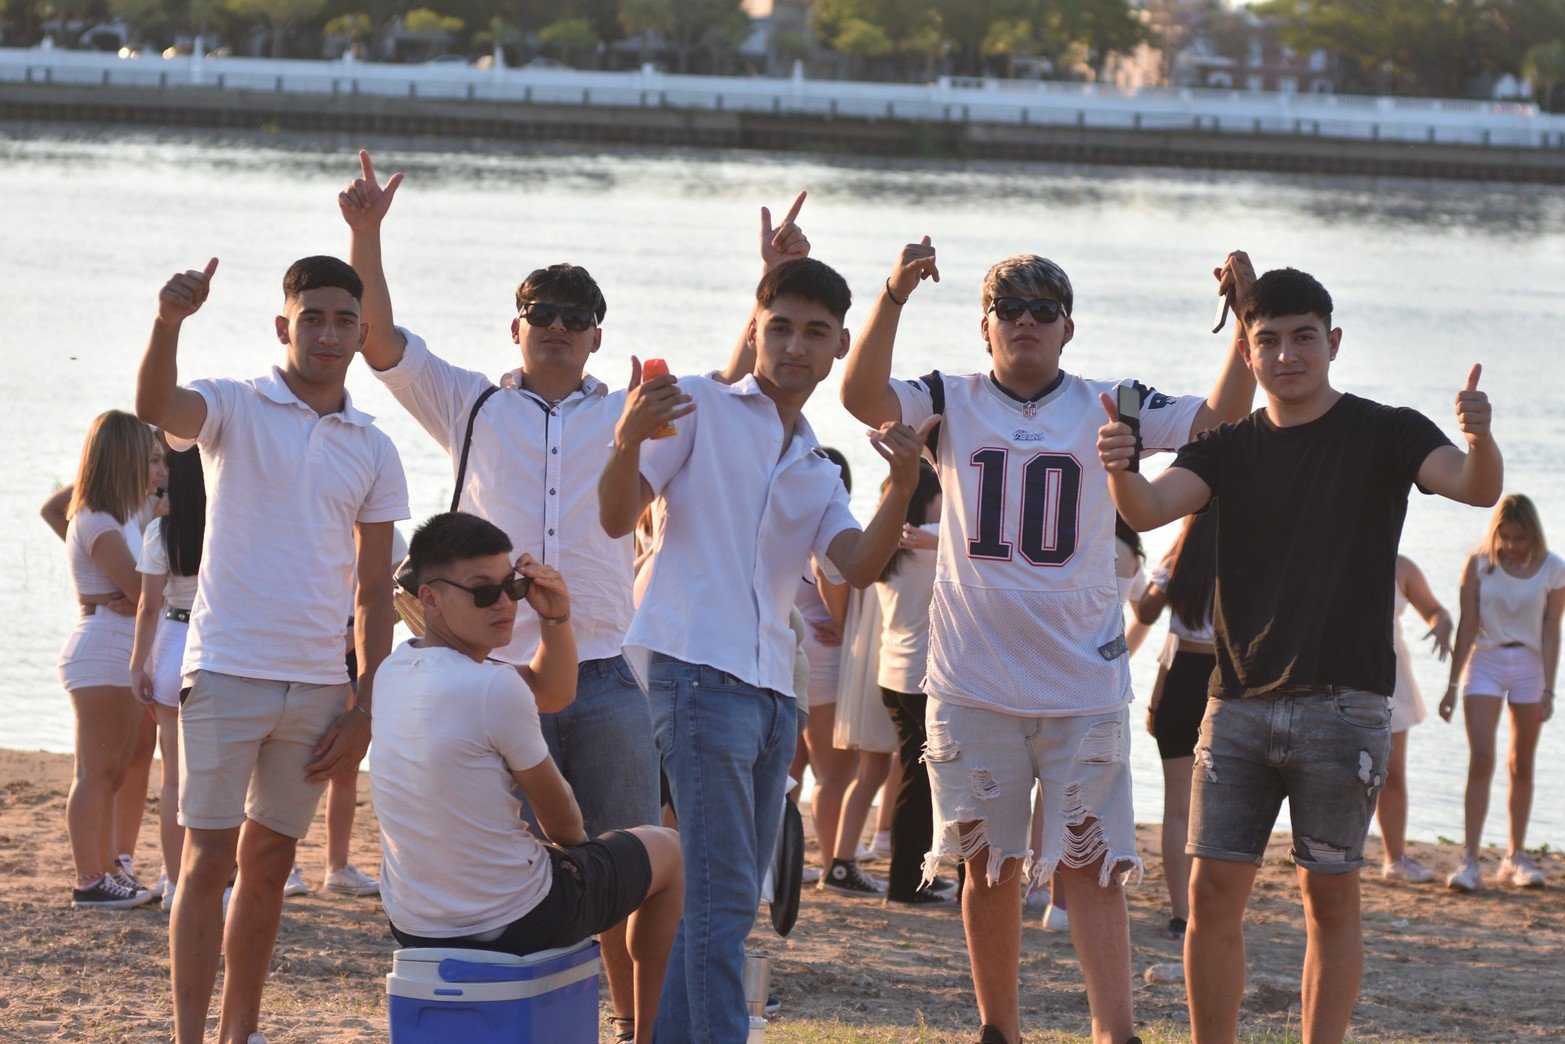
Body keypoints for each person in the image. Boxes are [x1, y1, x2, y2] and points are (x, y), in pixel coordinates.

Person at [338, 153, 808, 1035]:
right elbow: (377, 340)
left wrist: (770, 281)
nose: (555, 327)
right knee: (503, 866)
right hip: (492, 679)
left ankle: (636, 1028)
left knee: (635, 871)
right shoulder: (470, 404)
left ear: (598, 334)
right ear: (515, 328)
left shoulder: (632, 408)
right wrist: (365, 233)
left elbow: (736, 380)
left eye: (574, 318)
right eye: (539, 315)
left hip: (606, 675)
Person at [840, 239, 1258, 1044]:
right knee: (987, 868)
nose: (1025, 323)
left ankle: (1115, 1031)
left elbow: (1218, 423)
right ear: (984, 326)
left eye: (1043, 311)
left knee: (1093, 867)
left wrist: (1243, 322)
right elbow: (860, 395)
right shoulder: (947, 398)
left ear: (1067, 328)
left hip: (1081, 681)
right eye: (1008, 310)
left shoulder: (1114, 402)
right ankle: (1000, 1027)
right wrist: (892, 294)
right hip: (971, 681)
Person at [1098, 267, 1501, 1043]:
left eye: (1302, 338)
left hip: (1345, 705)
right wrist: (1120, 467)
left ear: (1332, 342)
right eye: (1268, 341)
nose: (1286, 355)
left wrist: (1479, 437)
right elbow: (1148, 510)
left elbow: (1473, 489)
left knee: (1331, 900)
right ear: (1247, 355)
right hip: (1237, 702)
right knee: (1214, 895)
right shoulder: (1224, 448)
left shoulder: (1386, 431)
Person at [599, 256, 932, 1041]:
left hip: (771, 694)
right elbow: (617, 518)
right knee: (716, 898)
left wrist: (902, 487)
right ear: (755, 326)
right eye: (778, 326)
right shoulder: (700, 405)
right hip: (690, 675)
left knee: (728, 899)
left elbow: (855, 564)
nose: (793, 345)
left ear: (840, 346)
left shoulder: (815, 462)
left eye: (814, 332)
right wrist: (624, 440)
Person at [137, 254, 409, 1044]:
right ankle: (192, 1037)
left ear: (361, 334)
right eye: (313, 318)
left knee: (268, 873)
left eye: (343, 321)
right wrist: (167, 323)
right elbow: (156, 403)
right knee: (206, 864)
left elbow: (372, 591)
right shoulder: (233, 405)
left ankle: (238, 1033)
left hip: (320, 688)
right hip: (223, 669)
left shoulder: (373, 444)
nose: (328, 334)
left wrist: (364, 705)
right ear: (284, 325)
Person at [371, 511, 683, 1041]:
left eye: (512, 587)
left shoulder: (393, 671)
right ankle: (644, 1032)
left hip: (412, 922)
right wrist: (583, 861)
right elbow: (562, 822)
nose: (504, 604)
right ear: (429, 599)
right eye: (482, 592)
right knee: (669, 852)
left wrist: (556, 619)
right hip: (515, 920)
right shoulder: (492, 689)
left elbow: (552, 692)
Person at [54, 410, 161, 910]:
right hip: (100, 649)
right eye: (145, 452)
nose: (152, 461)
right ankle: (89, 879)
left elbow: (140, 589)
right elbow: (142, 587)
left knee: (113, 771)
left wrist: (138, 593)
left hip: (119, 646)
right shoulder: (96, 517)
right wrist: (136, 593)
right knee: (96, 771)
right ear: (124, 455)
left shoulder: (124, 514)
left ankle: (109, 869)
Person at [1440, 494, 1561, 892]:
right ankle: (1470, 860)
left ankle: (1514, 857)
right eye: (1505, 537)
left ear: (1533, 535)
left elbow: (1550, 630)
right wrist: (1452, 685)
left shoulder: (1553, 569)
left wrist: (1548, 688)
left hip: (1529, 665)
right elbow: (1468, 625)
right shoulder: (1478, 565)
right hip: (1485, 663)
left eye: (1520, 538)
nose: (1511, 545)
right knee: (1482, 758)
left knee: (1520, 763)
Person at [875, 460, 957, 906]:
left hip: (894, 672)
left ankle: (913, 878)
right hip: (923, 678)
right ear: (929, 498)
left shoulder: (889, 541)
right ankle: (906, 883)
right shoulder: (928, 539)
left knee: (916, 777)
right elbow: (980, 546)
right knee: (930, 784)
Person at [1133, 508, 1218, 939]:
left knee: (1177, 808)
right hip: (1224, 683)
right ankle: (1209, 910)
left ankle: (1180, 913)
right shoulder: (1245, 556)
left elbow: (1150, 617)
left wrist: (1155, 695)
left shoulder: (1178, 561)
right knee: (1221, 809)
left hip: (1179, 682)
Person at [129, 444, 207, 911]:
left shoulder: (161, 530)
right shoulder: (226, 526)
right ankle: (211, 880)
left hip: (173, 639)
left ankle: (176, 882)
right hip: (214, 643)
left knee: (173, 777)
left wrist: (138, 663)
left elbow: (147, 605)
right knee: (215, 775)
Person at [1377, 554, 1452, 884]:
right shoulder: (1331, 552)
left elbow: (1435, 610)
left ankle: (1395, 859)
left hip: (1391, 677)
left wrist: (1442, 624)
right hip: (1335, 673)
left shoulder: (1400, 566)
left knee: (1392, 772)